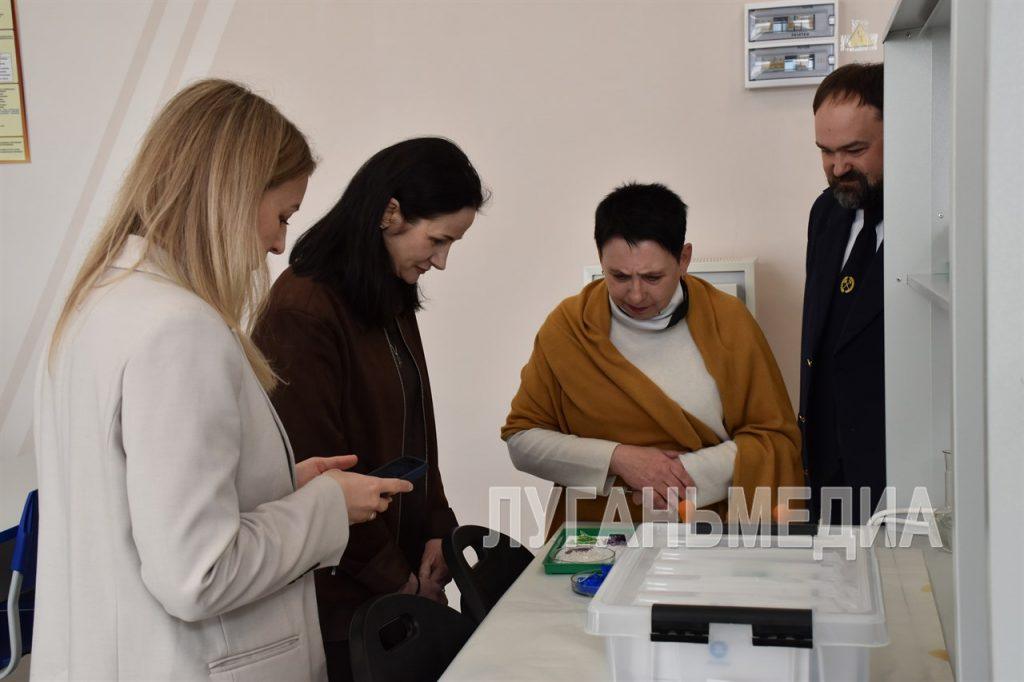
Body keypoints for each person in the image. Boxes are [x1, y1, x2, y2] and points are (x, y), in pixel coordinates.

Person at [31, 79, 412, 681]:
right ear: (231, 194)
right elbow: (198, 574)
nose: (279, 244)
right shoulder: (178, 329)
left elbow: (138, 509)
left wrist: (277, 485)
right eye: (282, 215)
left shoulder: (99, 303)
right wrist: (326, 508)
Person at [253, 137, 485, 681]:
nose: (441, 261)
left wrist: (437, 530)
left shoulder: (388, 293)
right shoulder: (303, 309)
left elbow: (417, 431)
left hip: (397, 590)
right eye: (437, 240)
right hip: (344, 606)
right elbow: (320, 476)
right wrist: (400, 582)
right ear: (389, 213)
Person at [503, 182, 803, 529]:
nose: (636, 294)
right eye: (619, 276)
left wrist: (678, 475)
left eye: (652, 277)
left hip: (705, 528)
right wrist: (617, 459)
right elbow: (522, 439)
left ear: (684, 259)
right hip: (597, 532)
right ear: (600, 258)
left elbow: (773, 440)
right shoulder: (569, 327)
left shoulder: (729, 321)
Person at [800, 63, 885, 523]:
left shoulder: (939, 224)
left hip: (899, 477)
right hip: (827, 475)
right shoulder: (825, 213)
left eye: (855, 150)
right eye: (825, 152)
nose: (838, 168)